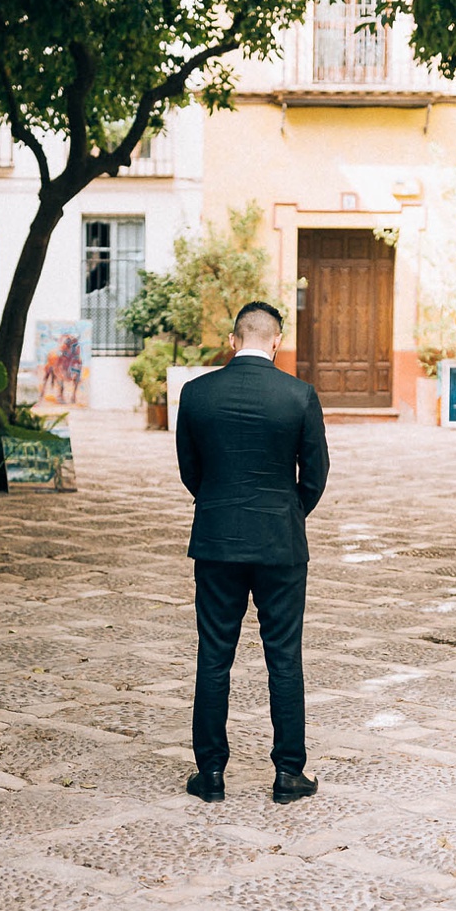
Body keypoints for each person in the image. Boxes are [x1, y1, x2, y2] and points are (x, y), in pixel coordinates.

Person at [175, 301, 330, 804]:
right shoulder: (299, 395)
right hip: (280, 544)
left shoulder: (196, 394)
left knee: (213, 656)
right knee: (284, 657)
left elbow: (189, 470)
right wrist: (288, 512)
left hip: (217, 540)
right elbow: (316, 474)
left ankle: (212, 774)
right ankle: (289, 774)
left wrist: (218, 505)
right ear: (277, 341)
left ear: (234, 338)